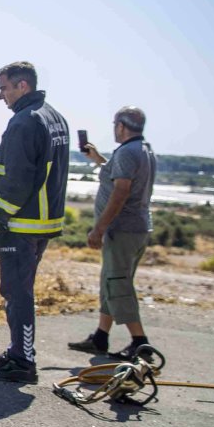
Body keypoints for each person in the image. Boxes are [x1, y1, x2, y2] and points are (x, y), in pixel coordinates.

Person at [0, 61, 70, 383]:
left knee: (17, 294)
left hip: (21, 225)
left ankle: (23, 360)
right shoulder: (53, 116)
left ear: (22, 86)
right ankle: (18, 348)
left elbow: (16, 182)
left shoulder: (24, 122)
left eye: (4, 88)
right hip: (42, 223)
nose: (0, 96)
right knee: (19, 291)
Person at [68, 106, 157, 359]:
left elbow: (120, 192)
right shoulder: (143, 150)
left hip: (123, 229)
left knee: (118, 285)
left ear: (120, 126)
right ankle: (100, 337)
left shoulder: (128, 152)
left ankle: (141, 344)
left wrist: (99, 228)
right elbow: (119, 176)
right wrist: (98, 159)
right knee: (111, 281)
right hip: (136, 228)